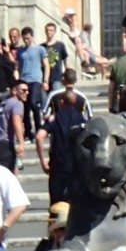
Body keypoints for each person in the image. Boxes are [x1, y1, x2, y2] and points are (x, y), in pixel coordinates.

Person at [36, 70, 91, 212]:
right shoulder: (81, 116)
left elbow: (39, 136)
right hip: (77, 164)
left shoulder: (57, 114)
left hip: (58, 163)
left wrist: (43, 161)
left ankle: (55, 232)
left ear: (61, 102)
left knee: (55, 204)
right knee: (76, 204)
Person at [0, 77, 30, 170]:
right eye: (23, 90)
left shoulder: (3, 103)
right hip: (6, 143)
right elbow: (16, 122)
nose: (27, 93)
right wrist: (21, 143)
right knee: (8, 176)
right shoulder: (18, 104)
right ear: (14, 91)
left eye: (28, 90)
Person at [18, 24, 50, 114]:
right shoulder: (20, 51)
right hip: (24, 80)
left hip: (35, 80)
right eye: (24, 39)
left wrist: (45, 81)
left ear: (32, 36)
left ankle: (38, 124)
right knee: (25, 106)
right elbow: (18, 66)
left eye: (28, 38)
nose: (26, 41)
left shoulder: (40, 49)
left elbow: (46, 65)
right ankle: (27, 127)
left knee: (33, 102)